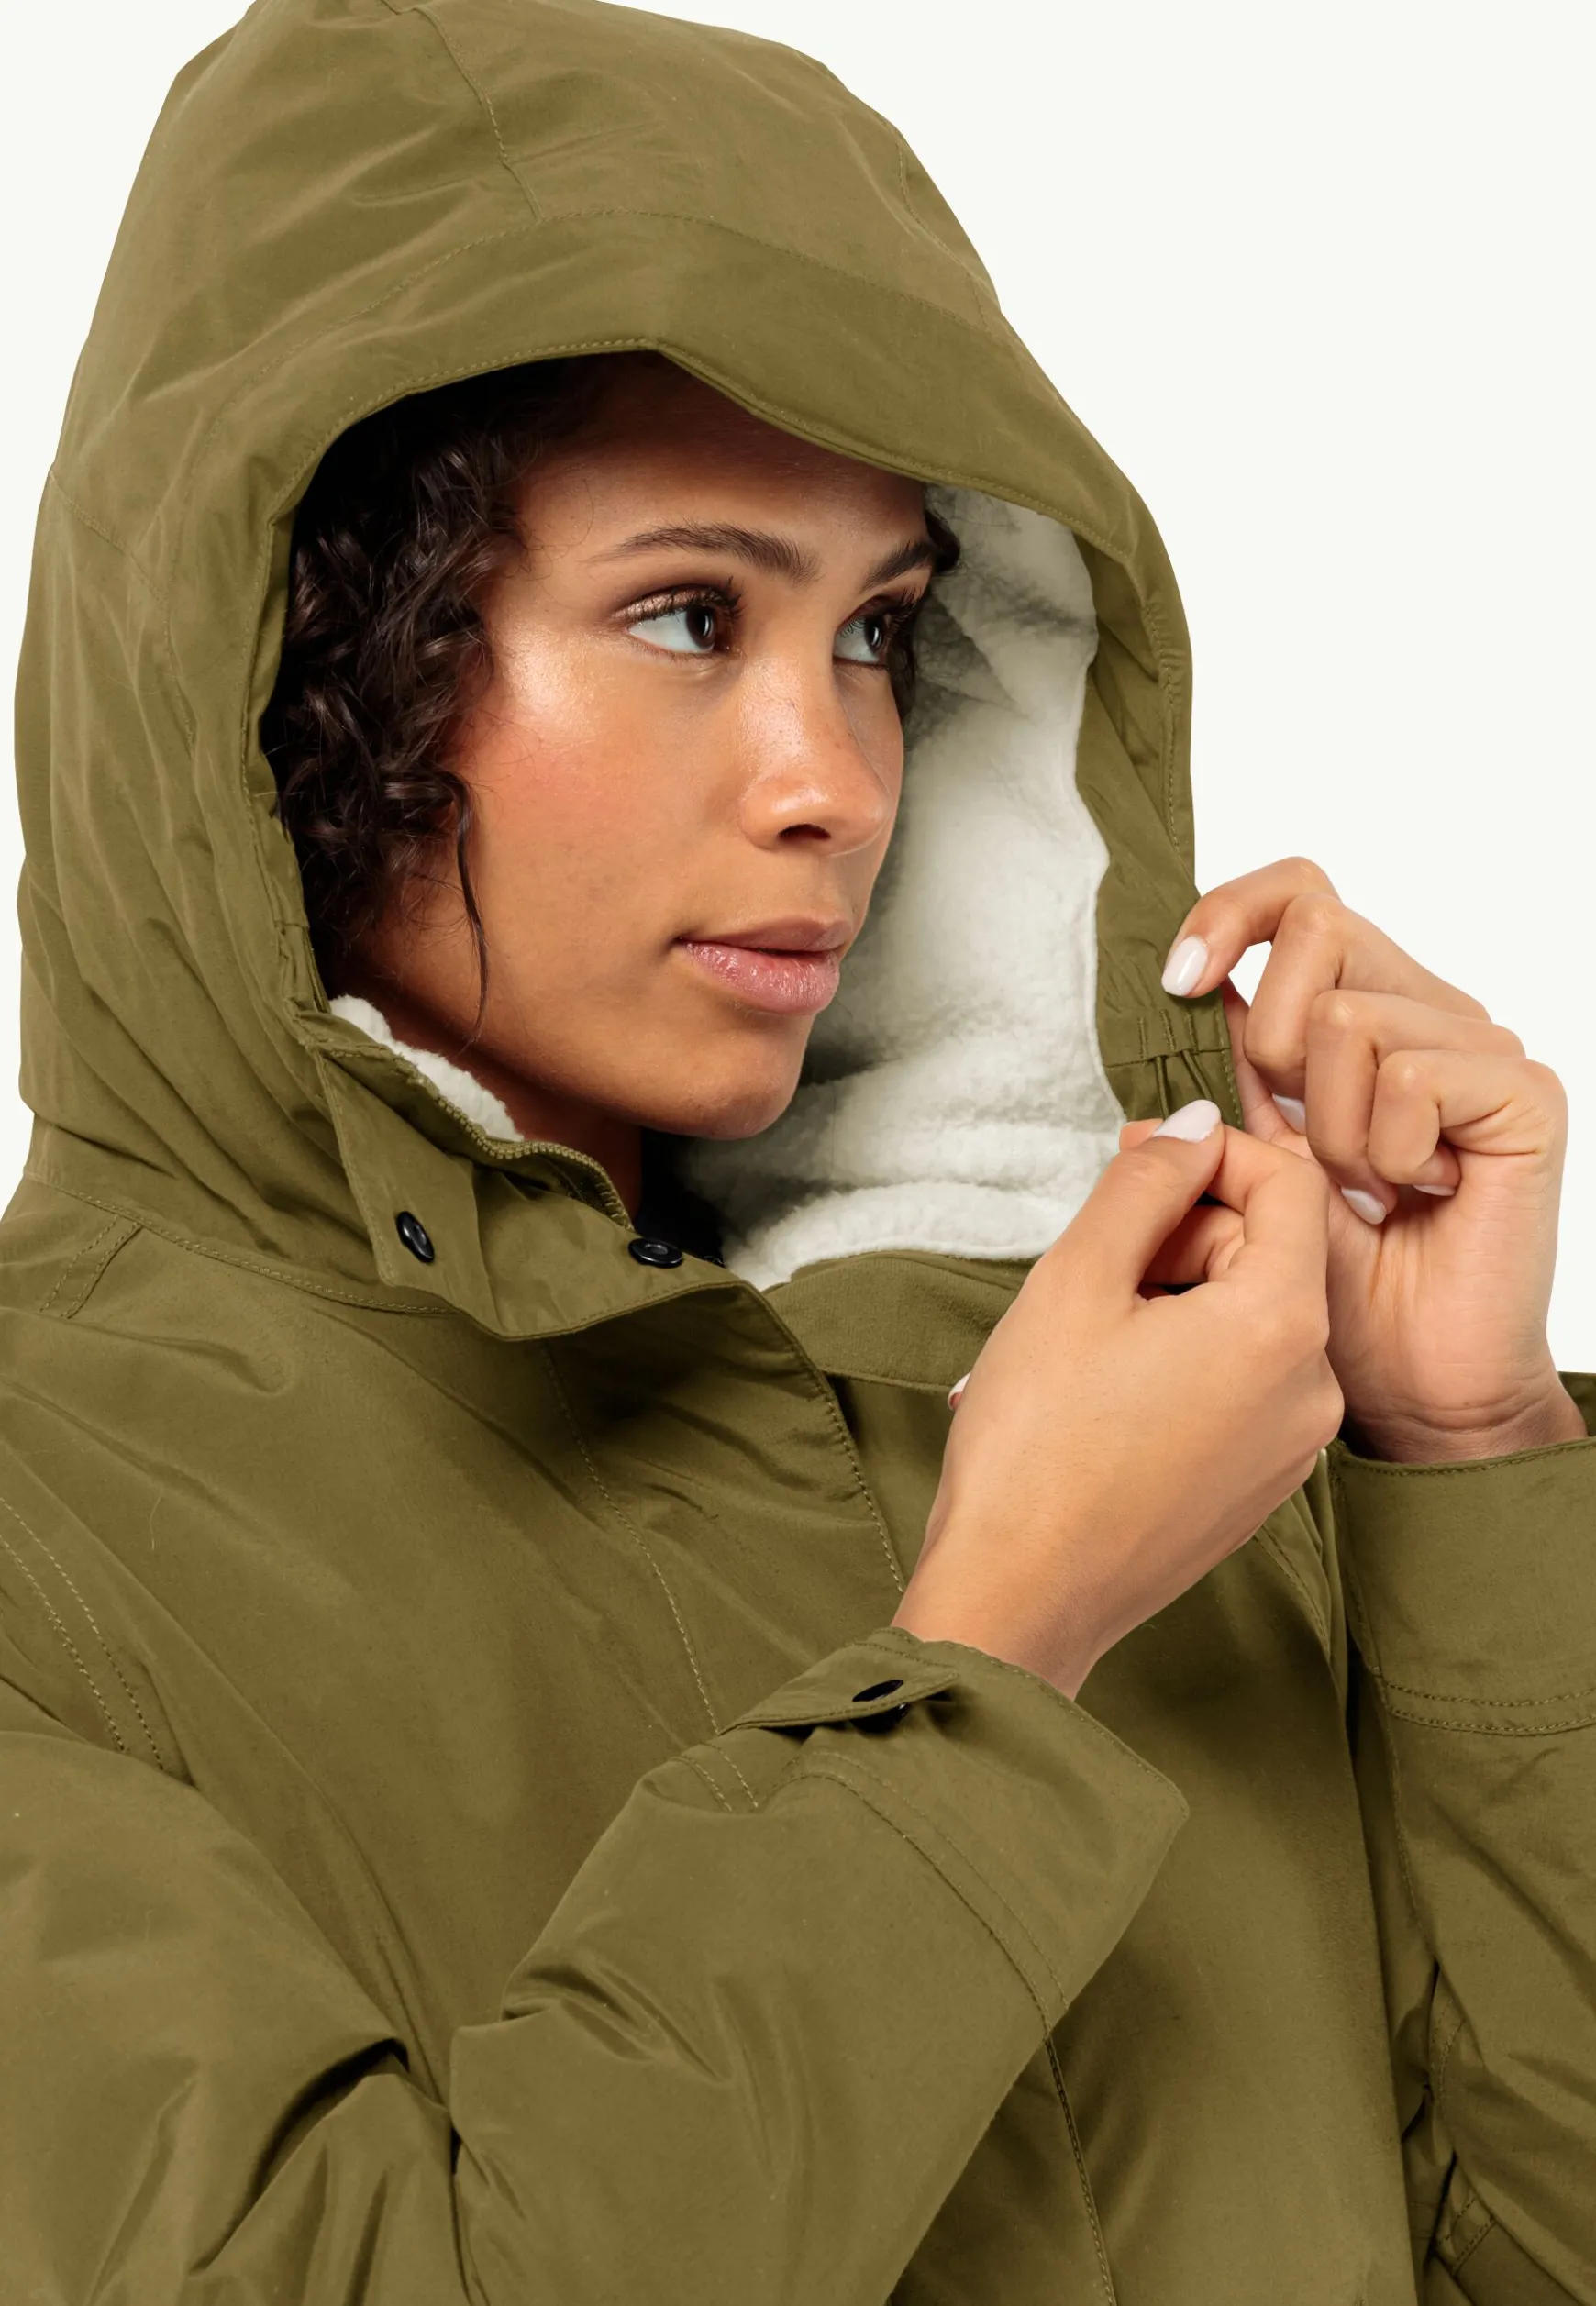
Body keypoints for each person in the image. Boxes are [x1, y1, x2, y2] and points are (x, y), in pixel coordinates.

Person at [3, 0, 1591, 2300]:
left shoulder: (1144, 1401)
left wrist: (1468, 1460)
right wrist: (995, 1644)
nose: (836, 781)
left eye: (881, 636)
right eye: (686, 615)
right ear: (297, 653)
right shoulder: (48, 1527)